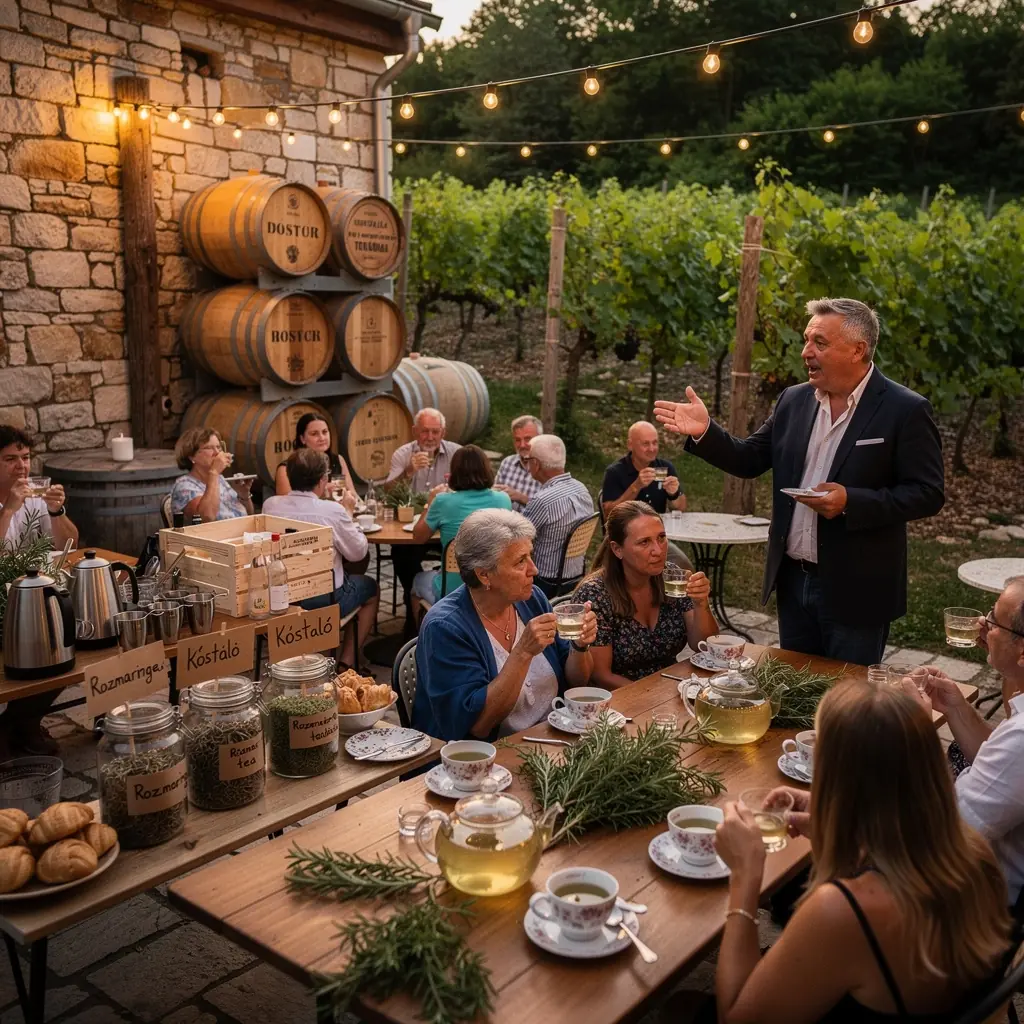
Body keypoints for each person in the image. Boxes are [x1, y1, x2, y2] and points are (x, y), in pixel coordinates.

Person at [655, 297, 944, 665]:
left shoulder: (905, 409)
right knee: (795, 694)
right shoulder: (794, 400)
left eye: (819, 343)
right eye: (807, 341)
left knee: (845, 705)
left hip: (857, 589)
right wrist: (705, 431)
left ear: (858, 350)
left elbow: (928, 493)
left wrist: (851, 502)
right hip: (793, 581)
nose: (806, 352)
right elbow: (750, 459)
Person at [710, 681, 1012, 1023]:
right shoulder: (973, 856)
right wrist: (835, 820)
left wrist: (745, 876)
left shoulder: (841, 911)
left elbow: (733, 1018)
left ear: (835, 777)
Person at [413, 509, 598, 741]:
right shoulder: (445, 628)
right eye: (520, 561)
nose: (534, 570)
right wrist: (523, 652)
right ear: (484, 575)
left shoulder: (532, 599)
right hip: (483, 760)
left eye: (530, 555)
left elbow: (576, 682)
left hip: (552, 738)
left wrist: (580, 647)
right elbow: (478, 726)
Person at [901, 576, 1024, 907]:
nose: (982, 625)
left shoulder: (1021, 739)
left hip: (982, 903)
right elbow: (998, 766)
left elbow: (942, 833)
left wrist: (916, 727)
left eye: (995, 620)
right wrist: (956, 707)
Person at [575, 502, 717, 687]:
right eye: (644, 542)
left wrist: (701, 603)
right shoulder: (595, 594)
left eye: (661, 538)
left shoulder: (671, 577)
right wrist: (654, 698)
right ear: (617, 549)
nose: (658, 551)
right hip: (621, 701)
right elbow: (600, 675)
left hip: (669, 686)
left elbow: (704, 644)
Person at [263, 449, 378, 667]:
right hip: (325, 599)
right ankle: (346, 662)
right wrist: (348, 514)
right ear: (323, 479)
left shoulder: (271, 506)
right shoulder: (332, 511)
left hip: (282, 596)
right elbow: (358, 553)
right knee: (370, 587)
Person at [385, 408, 461, 635]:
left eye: (435, 432)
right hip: (412, 529)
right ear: (415, 431)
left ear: (443, 432)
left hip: (445, 531)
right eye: (424, 431)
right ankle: (413, 613)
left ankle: (438, 600)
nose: (429, 437)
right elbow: (387, 494)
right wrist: (408, 471)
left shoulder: (456, 453)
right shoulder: (403, 453)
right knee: (401, 555)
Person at [410, 445, 512, 605]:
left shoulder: (443, 501)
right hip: (492, 585)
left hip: (452, 592)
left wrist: (429, 503)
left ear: (454, 472)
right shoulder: (503, 499)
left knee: (417, 580)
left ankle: (426, 628)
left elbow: (418, 537)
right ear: (486, 469)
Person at [522, 434, 595, 597]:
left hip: (544, 582)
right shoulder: (582, 490)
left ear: (536, 464)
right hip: (575, 576)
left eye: (528, 460)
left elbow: (518, 537)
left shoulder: (542, 501)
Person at [0, 426, 78, 550]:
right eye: (10, 459)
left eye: (25, 458)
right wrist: (8, 511)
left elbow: (69, 547)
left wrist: (56, 511)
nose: (21, 466)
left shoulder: (35, 491)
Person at [601, 420, 686, 518]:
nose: (652, 449)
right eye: (645, 444)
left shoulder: (664, 467)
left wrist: (674, 494)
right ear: (630, 445)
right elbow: (608, 514)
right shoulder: (615, 472)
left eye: (655, 443)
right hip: (627, 531)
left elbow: (681, 508)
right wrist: (636, 486)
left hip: (657, 529)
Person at [170, 427, 254, 522]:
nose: (217, 452)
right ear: (192, 456)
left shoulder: (220, 479)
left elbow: (249, 515)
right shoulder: (184, 485)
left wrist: (243, 495)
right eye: (209, 448)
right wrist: (214, 472)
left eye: (218, 447)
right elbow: (207, 517)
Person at [274, 413, 354, 498]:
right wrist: (324, 490)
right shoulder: (286, 468)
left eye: (324, 432)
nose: (322, 438)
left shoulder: (338, 460)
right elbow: (289, 504)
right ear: (302, 439)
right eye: (314, 434)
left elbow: (353, 494)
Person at [493, 414, 542, 512]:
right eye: (518, 440)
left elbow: (550, 510)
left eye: (528, 439)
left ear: (540, 438)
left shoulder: (547, 466)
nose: (522, 445)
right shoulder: (507, 463)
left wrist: (521, 497)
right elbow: (494, 498)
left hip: (532, 525)